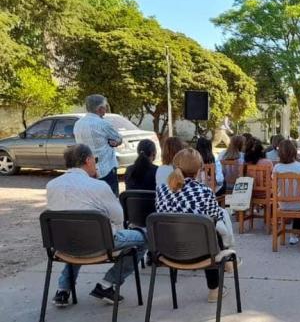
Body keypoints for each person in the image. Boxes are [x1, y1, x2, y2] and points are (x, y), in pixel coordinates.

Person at [48, 144, 145, 307]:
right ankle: (107, 284)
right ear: (87, 160)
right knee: (145, 237)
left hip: (63, 246)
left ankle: (63, 289)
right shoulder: (99, 186)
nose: (96, 163)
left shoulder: (51, 185)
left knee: (74, 233)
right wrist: (97, 182)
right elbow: (118, 217)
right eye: (95, 160)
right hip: (100, 245)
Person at [155, 148, 235, 303]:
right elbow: (216, 218)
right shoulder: (204, 191)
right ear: (199, 170)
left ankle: (227, 257)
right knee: (214, 225)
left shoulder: (161, 190)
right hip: (201, 253)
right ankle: (215, 288)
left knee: (205, 228)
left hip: (168, 251)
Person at [73, 94, 122, 195]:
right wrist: (116, 142)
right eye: (105, 106)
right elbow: (118, 138)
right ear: (100, 109)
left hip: (87, 170)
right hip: (106, 170)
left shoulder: (78, 124)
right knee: (110, 201)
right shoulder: (103, 124)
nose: (106, 109)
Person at [273, 140, 300, 245]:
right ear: (294, 152)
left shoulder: (277, 168)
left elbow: (274, 186)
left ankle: (294, 234)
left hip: (282, 204)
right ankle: (297, 233)